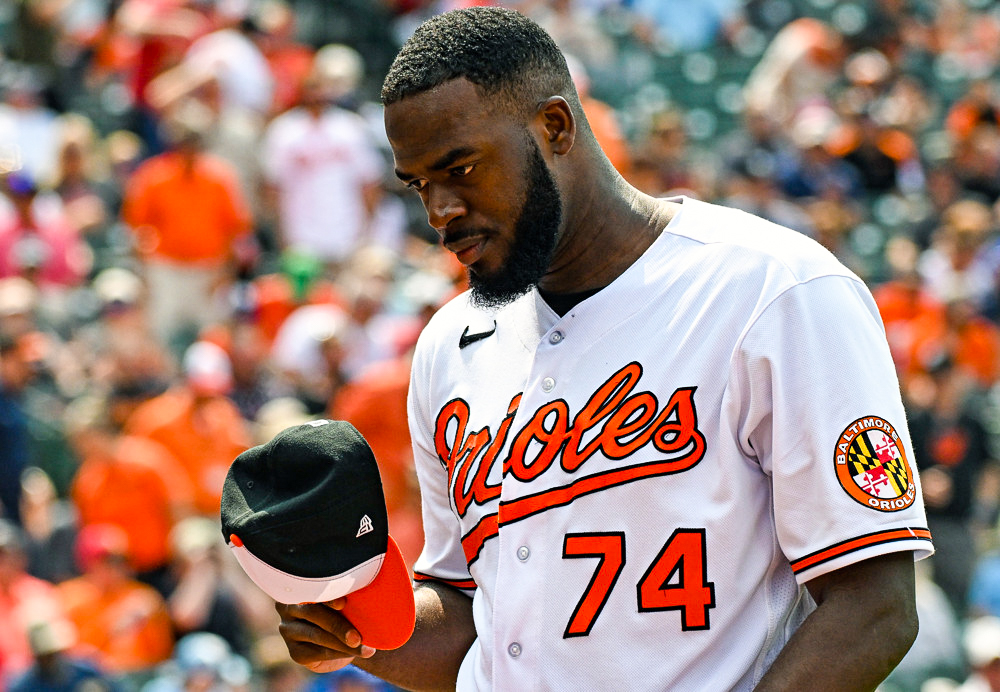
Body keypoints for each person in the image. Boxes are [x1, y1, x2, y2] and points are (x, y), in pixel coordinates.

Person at [274, 8, 933, 691]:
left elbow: (875, 606)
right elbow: (479, 619)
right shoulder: (449, 345)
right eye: (418, 184)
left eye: (460, 167)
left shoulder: (773, 290)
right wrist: (352, 629)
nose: (438, 209)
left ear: (554, 127)